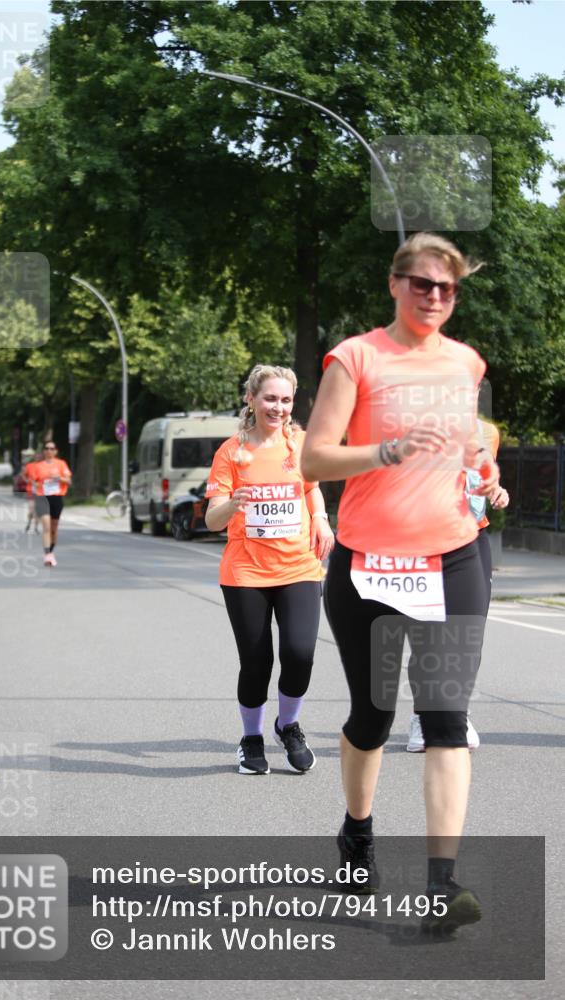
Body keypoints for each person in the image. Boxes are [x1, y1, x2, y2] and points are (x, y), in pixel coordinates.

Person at [302, 233, 500, 934]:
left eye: (446, 289)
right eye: (421, 284)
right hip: (369, 565)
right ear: (394, 284)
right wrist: (383, 451)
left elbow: (472, 443)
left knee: (446, 720)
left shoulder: (464, 363)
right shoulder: (355, 358)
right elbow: (314, 458)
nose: (434, 298)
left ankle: (442, 888)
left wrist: (484, 473)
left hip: (452, 558)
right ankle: (357, 829)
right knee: (372, 718)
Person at [205, 365, 335, 775]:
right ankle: (251, 738)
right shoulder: (231, 452)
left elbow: (311, 488)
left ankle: (288, 724)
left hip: (299, 566)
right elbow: (212, 519)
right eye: (269, 399)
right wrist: (233, 503)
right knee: (256, 662)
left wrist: (321, 519)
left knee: (300, 653)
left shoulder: (301, 445)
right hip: (246, 572)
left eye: (285, 400)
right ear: (251, 399)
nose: (277, 407)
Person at [406, 418, 510, 752]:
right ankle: (422, 716)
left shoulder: (488, 433)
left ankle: (457, 712)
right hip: (426, 541)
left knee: (470, 635)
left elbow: (484, 477)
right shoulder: (418, 428)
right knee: (429, 637)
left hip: (473, 537)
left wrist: (497, 491)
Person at [28, 442, 71, 567]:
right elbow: (32, 481)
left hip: (57, 498)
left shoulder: (61, 464)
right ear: (44, 452)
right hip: (43, 497)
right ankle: (47, 555)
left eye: (52, 448)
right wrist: (36, 485)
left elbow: (68, 481)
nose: (49, 450)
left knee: (53, 528)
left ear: (55, 451)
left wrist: (59, 478)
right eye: (46, 448)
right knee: (46, 526)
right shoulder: (38, 466)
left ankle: (51, 552)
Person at [23, 453, 41, 533]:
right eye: (36, 456)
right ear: (34, 457)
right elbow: (24, 475)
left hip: (41, 491)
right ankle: (29, 523)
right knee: (31, 510)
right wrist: (27, 481)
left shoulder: (44, 466)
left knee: (37, 511)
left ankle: (36, 527)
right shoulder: (29, 466)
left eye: (39, 457)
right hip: (31, 490)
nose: (38, 458)